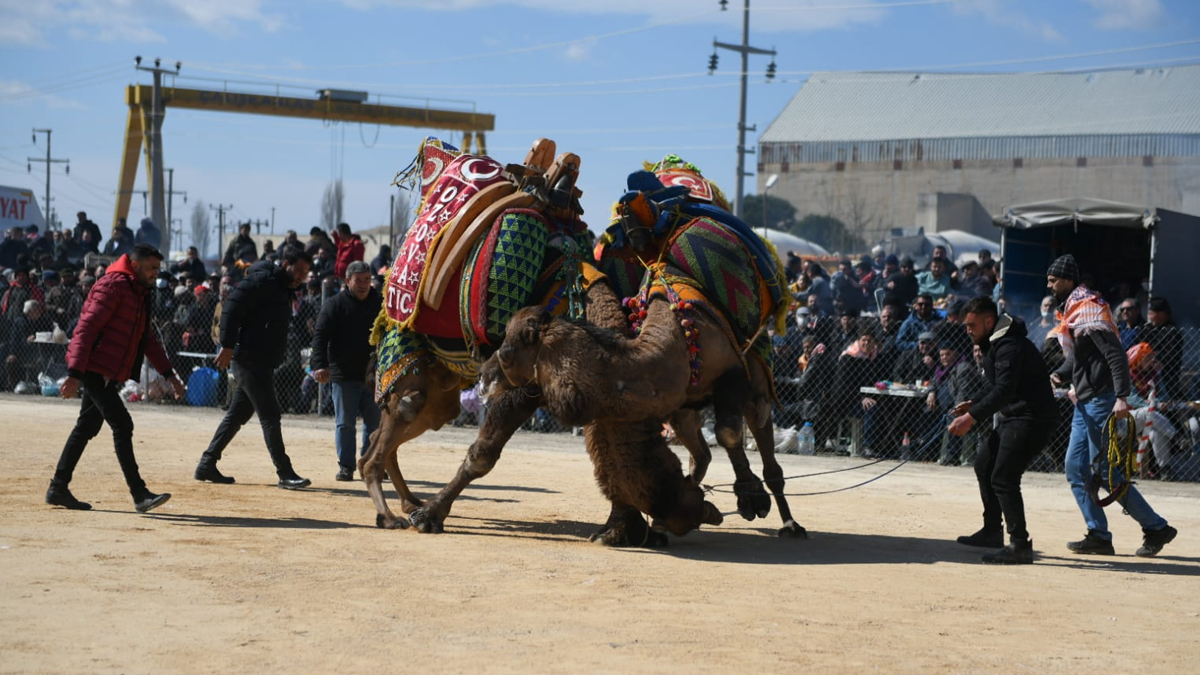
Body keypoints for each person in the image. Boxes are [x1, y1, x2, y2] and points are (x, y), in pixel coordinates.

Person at [1046, 254, 1177, 557]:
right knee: (1076, 470)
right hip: (1085, 400)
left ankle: (1155, 528)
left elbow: (1116, 355)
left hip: (1101, 400)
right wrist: (1059, 374)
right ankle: (1099, 535)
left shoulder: (1089, 310)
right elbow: (1079, 358)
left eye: (1053, 280)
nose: (1050, 286)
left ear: (1067, 280)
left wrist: (1121, 397)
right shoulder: (1076, 313)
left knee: (1104, 474)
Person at [45, 244, 185, 513]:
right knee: (122, 424)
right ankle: (139, 493)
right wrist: (74, 374)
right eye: (152, 268)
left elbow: (147, 340)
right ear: (134, 264)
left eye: (158, 269)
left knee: (86, 427)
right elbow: (86, 328)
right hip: (93, 369)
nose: (156, 274)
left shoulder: (139, 292)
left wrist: (170, 375)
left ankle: (58, 487)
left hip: (105, 371)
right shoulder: (114, 286)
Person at [947, 296, 1056, 564]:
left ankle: (1019, 544)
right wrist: (974, 403)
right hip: (1016, 416)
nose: (968, 330)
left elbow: (1005, 390)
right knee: (984, 465)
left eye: (972, 325)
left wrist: (971, 417)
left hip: (1032, 418)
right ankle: (992, 531)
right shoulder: (996, 343)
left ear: (988, 321)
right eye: (966, 325)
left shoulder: (1009, 345)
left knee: (1004, 477)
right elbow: (997, 385)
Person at [193, 248, 313, 489]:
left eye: (306, 273)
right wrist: (227, 346)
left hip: (261, 360)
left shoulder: (282, 288)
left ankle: (207, 463)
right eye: (299, 270)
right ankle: (285, 472)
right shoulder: (263, 280)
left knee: (238, 414)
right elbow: (232, 307)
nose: (302, 276)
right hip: (248, 359)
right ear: (286, 263)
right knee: (270, 415)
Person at [311, 261, 383, 480]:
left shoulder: (380, 304)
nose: (363, 285)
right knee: (345, 424)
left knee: (375, 424)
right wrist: (320, 365)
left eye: (367, 280)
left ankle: (369, 463)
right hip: (343, 376)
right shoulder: (335, 305)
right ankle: (346, 466)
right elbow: (320, 337)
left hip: (374, 376)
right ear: (347, 281)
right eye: (358, 280)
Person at [1134, 297, 1184, 400]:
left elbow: (1170, 355)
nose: (1150, 317)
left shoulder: (1172, 331)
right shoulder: (1147, 329)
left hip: (1165, 377)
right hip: (1143, 376)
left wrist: (1152, 358)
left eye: (1152, 314)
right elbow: (1137, 347)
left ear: (1162, 314)